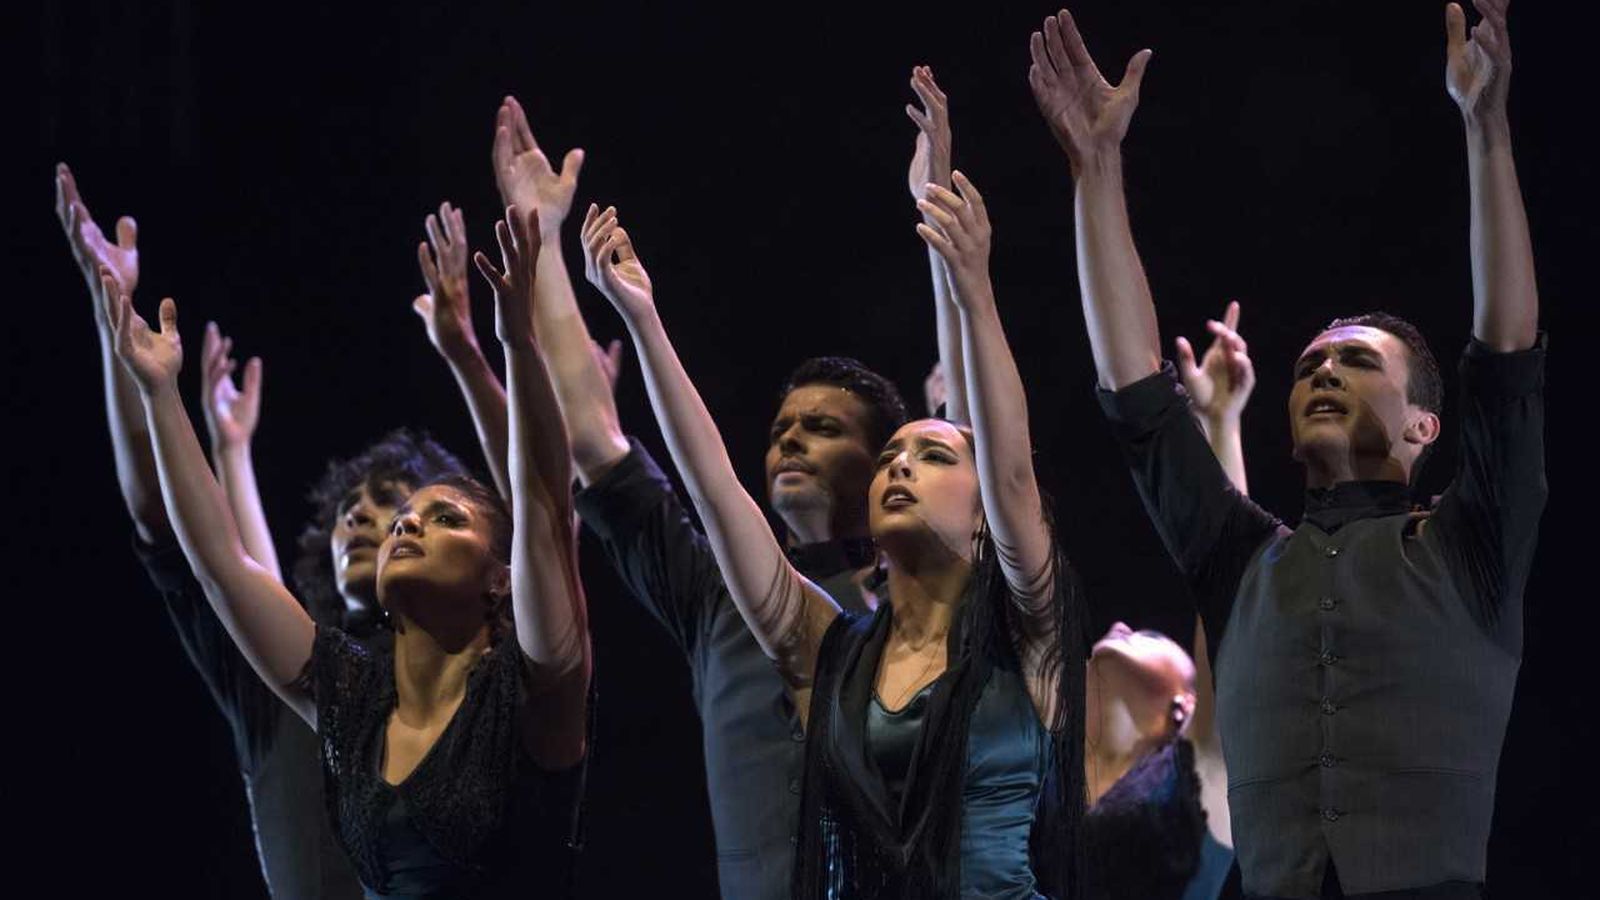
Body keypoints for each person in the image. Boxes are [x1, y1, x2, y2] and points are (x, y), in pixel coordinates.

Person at [1030, 2, 1543, 896]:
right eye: (1310, 364)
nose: (1323, 373)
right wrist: (1096, 169)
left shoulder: (1471, 546)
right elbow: (1138, 396)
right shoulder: (1243, 563)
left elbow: (1505, 354)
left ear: (1426, 425)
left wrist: (1486, 126)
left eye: (1355, 361)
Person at [411, 95, 912, 900]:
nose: (789, 440)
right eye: (783, 426)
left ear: (882, 461)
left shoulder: (928, 595)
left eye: (823, 428)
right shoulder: (718, 596)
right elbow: (596, 446)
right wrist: (539, 238)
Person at [577, 155, 1087, 897]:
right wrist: (644, 320)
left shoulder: (1027, 633)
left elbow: (1008, 470)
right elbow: (717, 495)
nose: (900, 466)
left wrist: (971, 284)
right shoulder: (831, 653)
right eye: (889, 457)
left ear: (986, 519)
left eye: (932, 453)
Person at [103, 204, 593, 899]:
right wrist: (162, 396)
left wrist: (516, 341)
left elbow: (545, 503)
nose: (402, 526)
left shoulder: (532, 687)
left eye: (443, 516)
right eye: (405, 520)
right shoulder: (354, 704)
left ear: (498, 578)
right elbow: (220, 565)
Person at [58, 162, 409, 899]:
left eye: (396, 502)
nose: (362, 514)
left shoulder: (475, 701)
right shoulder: (288, 702)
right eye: (351, 507)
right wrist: (112, 321)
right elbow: (198, 546)